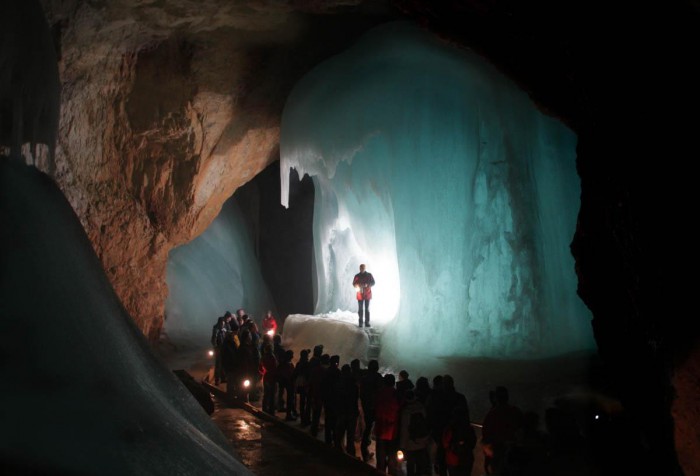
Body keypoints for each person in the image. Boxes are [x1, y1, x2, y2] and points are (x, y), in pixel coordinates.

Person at [352, 263, 375, 327]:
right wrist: (357, 285)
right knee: (360, 309)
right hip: (360, 295)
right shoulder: (357, 276)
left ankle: (367, 322)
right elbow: (353, 283)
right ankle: (360, 322)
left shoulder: (369, 275)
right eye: (361, 268)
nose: (362, 269)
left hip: (367, 294)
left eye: (363, 268)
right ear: (359, 268)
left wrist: (367, 285)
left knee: (367, 309)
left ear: (365, 268)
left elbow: (373, 283)